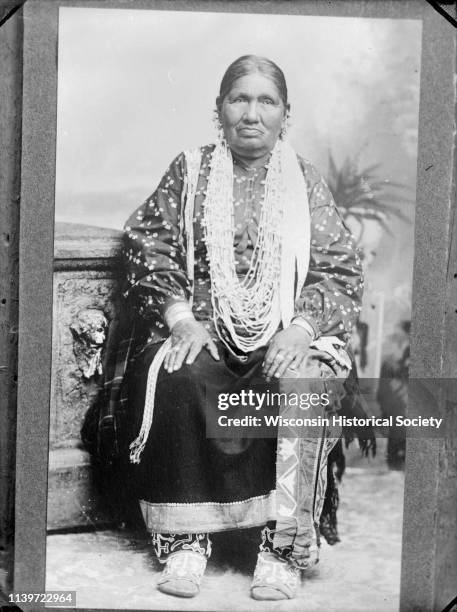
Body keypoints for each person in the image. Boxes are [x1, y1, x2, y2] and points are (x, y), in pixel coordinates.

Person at [120, 55, 363, 601]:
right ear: (219, 110)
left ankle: (278, 548)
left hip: (279, 336)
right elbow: (149, 243)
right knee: (181, 376)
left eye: (266, 102)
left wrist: (300, 330)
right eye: (240, 99)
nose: (251, 114)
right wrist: (181, 319)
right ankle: (188, 540)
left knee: (299, 383)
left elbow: (339, 268)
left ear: (285, 115)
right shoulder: (189, 170)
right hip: (202, 332)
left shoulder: (304, 180)